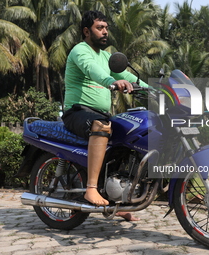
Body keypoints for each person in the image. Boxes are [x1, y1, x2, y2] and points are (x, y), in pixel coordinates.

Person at [62, 10, 147, 221]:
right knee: (101, 126)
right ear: (86, 31)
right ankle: (91, 188)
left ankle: (119, 200)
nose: (105, 32)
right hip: (78, 112)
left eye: (106, 28)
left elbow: (128, 76)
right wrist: (112, 82)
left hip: (100, 114)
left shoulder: (107, 57)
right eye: (100, 28)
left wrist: (156, 91)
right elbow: (92, 70)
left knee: (128, 137)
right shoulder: (80, 51)